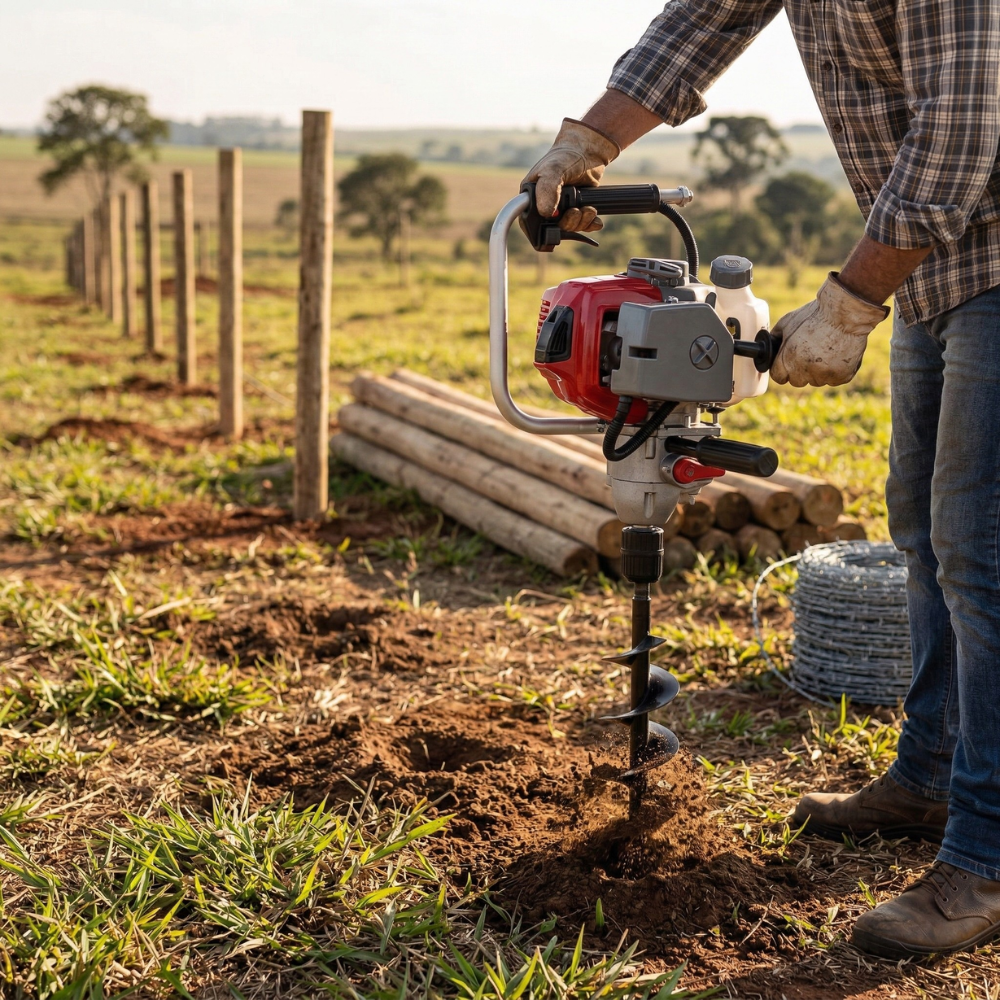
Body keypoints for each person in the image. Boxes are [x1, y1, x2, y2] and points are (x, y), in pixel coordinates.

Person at [522, 0, 1000, 961]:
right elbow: (698, 25)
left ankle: (985, 853)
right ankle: (930, 774)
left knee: (980, 559)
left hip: (978, 250)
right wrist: (584, 143)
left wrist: (852, 299)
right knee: (921, 534)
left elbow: (961, 130)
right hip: (937, 270)